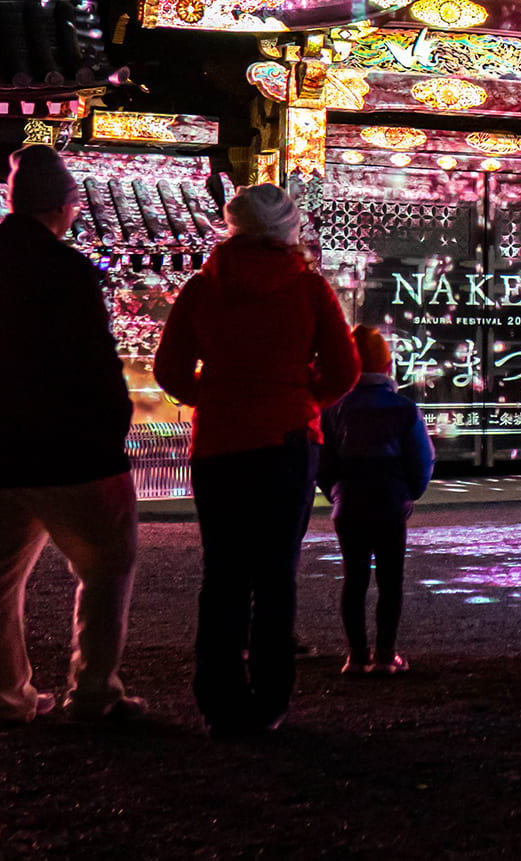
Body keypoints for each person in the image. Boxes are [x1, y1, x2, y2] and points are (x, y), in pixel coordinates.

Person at [0, 144, 144, 728]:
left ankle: (4, 697)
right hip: (72, 449)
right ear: (63, 205)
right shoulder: (67, 269)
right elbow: (94, 362)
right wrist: (114, 425)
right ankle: (93, 691)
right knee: (106, 567)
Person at [155, 183, 359, 736]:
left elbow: (169, 369)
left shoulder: (202, 287)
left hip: (219, 443)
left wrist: (214, 396)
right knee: (275, 574)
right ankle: (270, 699)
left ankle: (219, 700)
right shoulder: (309, 288)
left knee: (222, 573)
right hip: (286, 441)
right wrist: (302, 397)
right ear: (289, 229)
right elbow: (345, 368)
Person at [318, 325, 434, 677]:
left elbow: (323, 462)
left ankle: (356, 656)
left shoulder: (335, 409)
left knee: (354, 579)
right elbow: (422, 460)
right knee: (390, 580)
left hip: (349, 503)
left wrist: (336, 492)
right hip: (389, 502)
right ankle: (386, 655)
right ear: (387, 367)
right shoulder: (404, 409)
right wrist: (408, 493)